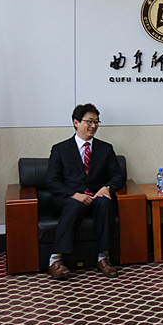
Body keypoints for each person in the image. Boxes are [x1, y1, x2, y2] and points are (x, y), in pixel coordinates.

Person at [45, 104, 125, 280]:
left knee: (106, 203)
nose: (93, 126)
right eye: (89, 121)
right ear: (76, 122)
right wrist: (74, 194)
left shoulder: (105, 149)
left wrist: (107, 187)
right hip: (70, 198)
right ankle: (55, 260)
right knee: (74, 206)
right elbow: (52, 181)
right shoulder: (60, 149)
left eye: (96, 122)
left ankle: (103, 258)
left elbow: (118, 176)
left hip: (96, 197)